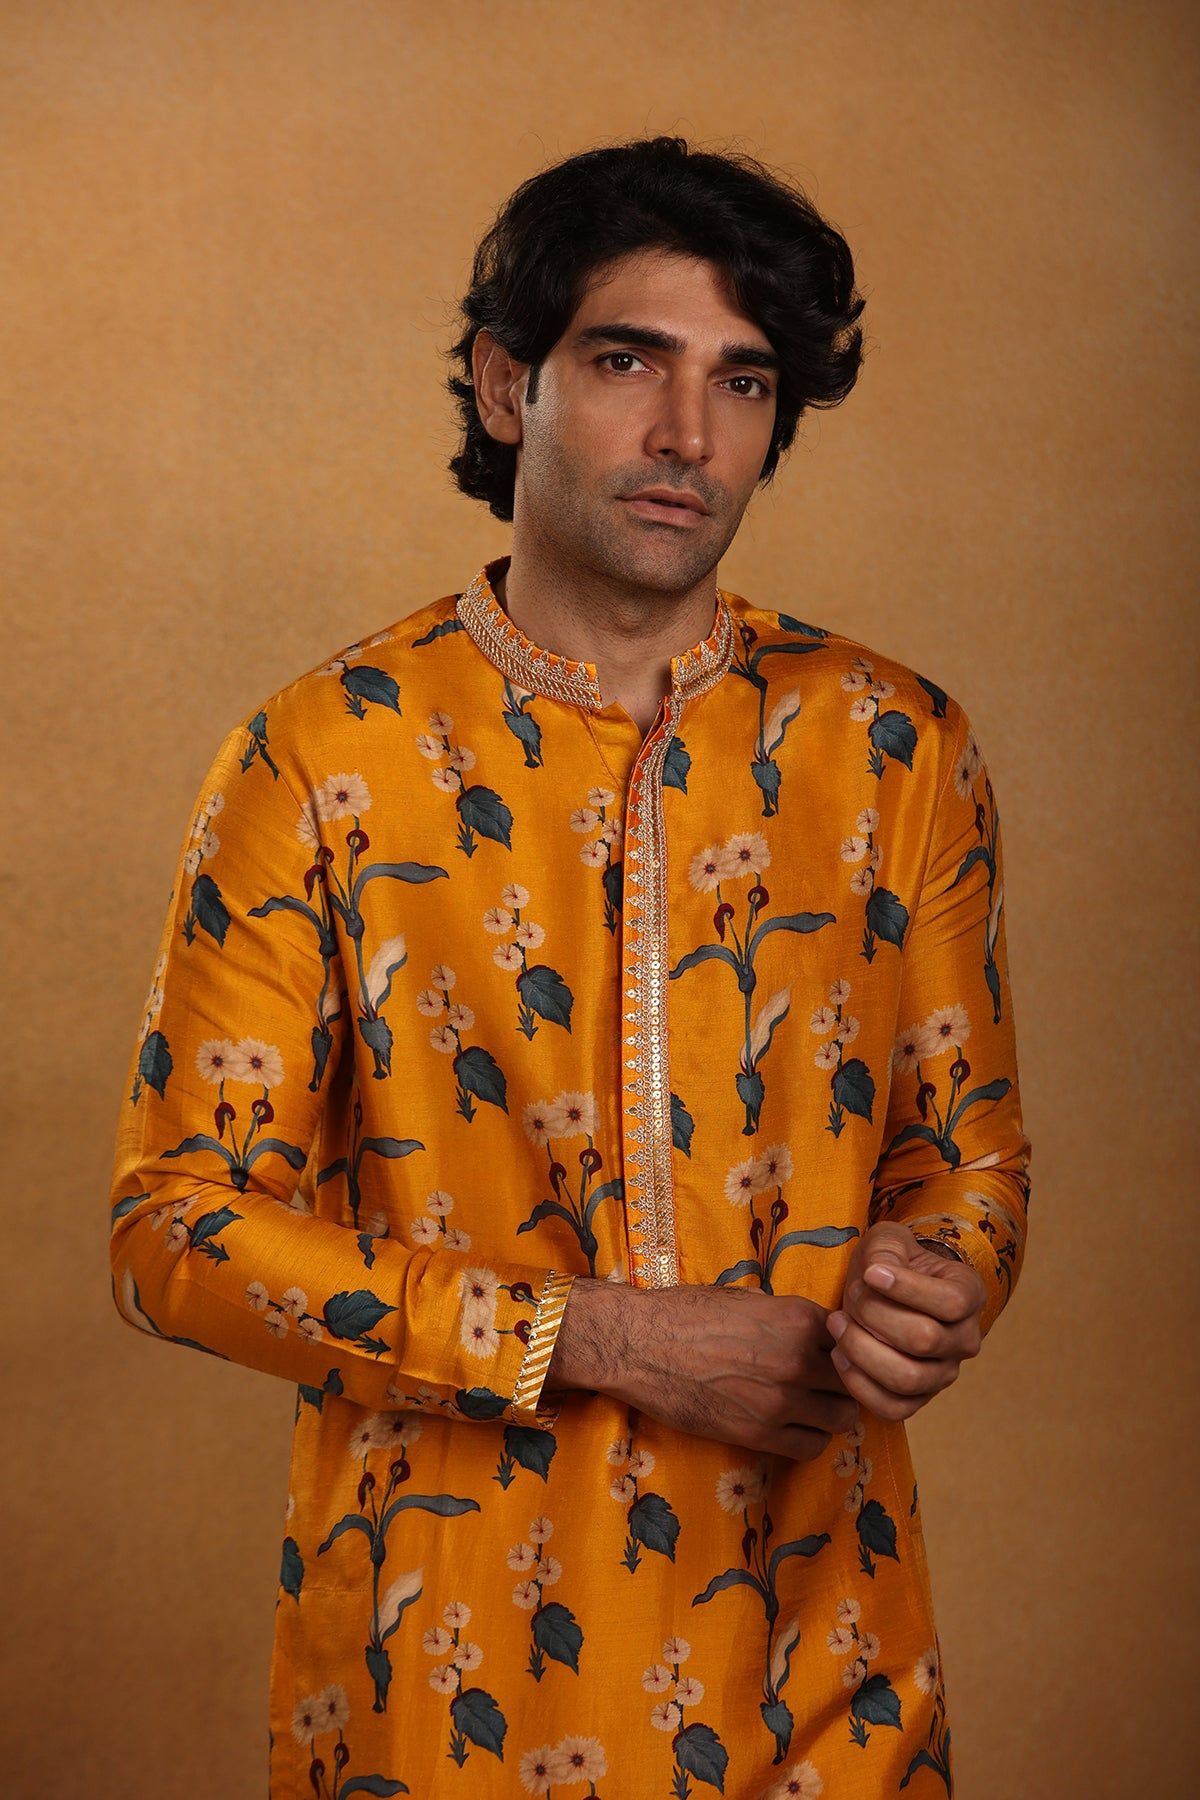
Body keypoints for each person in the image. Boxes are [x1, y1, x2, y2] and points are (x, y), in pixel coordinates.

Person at [108, 134, 1031, 1799]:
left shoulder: (893, 746)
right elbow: (176, 1232)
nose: (690, 435)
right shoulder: (323, 755)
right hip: (444, 1668)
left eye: (743, 382)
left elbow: (966, 1158)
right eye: (627, 362)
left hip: (826, 1648)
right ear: (503, 380)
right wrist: (597, 1337)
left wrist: (939, 1283)